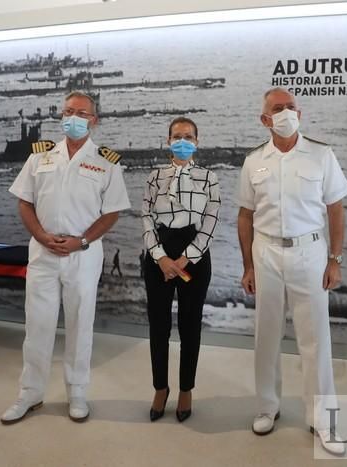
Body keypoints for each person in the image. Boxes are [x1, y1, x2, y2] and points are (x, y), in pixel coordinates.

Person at [1, 90, 131, 424]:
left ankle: (77, 393)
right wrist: (41, 235)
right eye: (68, 111)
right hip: (43, 252)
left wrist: (81, 240)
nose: (72, 117)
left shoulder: (105, 161)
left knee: (79, 325)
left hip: (83, 255)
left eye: (81, 113)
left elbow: (112, 213)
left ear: (94, 120)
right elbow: (24, 201)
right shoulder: (40, 156)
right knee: (38, 325)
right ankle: (30, 393)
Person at [237, 88, 347, 456]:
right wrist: (248, 265)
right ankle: (266, 407)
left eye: (291, 107)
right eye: (277, 108)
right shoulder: (254, 161)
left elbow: (335, 208)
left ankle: (323, 419)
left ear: (299, 113)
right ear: (265, 119)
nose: (286, 113)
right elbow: (245, 214)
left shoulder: (321, 154)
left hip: (310, 252)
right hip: (266, 251)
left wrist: (335, 259)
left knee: (316, 339)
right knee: (266, 335)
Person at [141, 117, 221, 423]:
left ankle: (186, 389)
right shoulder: (154, 176)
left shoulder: (208, 177)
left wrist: (185, 259)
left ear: (197, 142)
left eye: (189, 136)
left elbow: (211, 222)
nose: (183, 141)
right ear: (168, 140)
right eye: (177, 136)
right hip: (159, 256)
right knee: (158, 326)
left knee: (190, 326)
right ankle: (160, 388)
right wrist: (161, 257)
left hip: (194, 259)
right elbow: (146, 217)